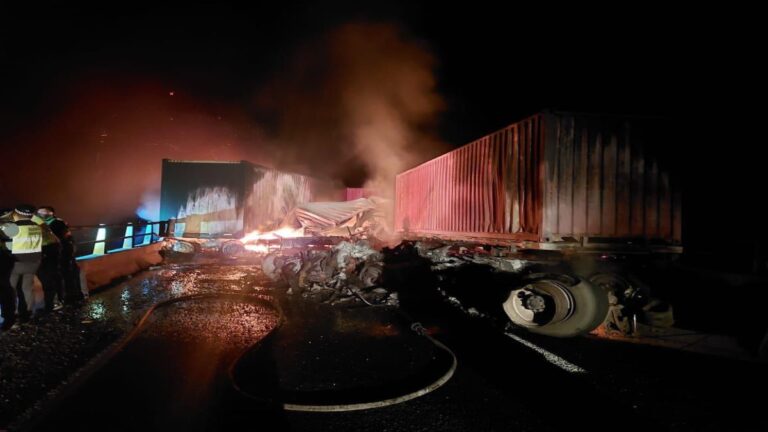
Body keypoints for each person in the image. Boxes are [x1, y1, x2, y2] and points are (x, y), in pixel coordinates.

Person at [36, 206, 83, 303]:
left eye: (44, 212)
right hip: (57, 251)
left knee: (66, 273)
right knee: (65, 274)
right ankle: (70, 296)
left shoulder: (57, 223)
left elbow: (62, 237)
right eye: (39, 212)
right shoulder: (46, 223)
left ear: (51, 213)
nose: (41, 214)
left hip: (62, 251)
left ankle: (70, 296)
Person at [8, 205, 43, 322]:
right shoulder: (37, 227)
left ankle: (12, 313)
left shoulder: (13, 227)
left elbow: (7, 245)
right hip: (34, 261)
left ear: (17, 214)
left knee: (10, 288)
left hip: (17, 262)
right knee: (27, 287)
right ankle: (29, 311)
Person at [32, 208, 63, 311]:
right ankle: (54, 302)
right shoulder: (41, 223)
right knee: (50, 278)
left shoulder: (35, 222)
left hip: (43, 253)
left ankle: (53, 303)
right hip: (48, 251)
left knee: (47, 279)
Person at [0, 208, 17, 330]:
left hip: (5, 260)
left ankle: (9, 318)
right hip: (6, 260)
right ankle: (9, 318)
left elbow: (10, 245)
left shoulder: (10, 226)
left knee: (5, 289)